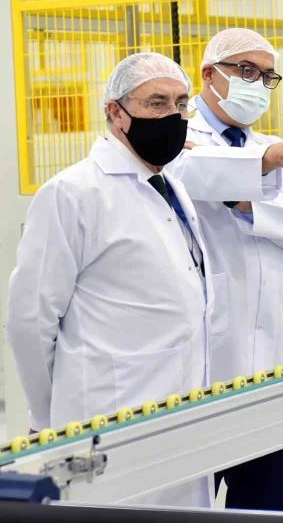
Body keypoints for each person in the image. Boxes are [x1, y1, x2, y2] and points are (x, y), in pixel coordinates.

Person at [6, 52, 213, 506]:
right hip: (106, 417)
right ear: (116, 113)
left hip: (180, 412)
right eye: (156, 103)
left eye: (181, 103)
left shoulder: (171, 187)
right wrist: (48, 417)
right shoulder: (73, 193)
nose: (173, 116)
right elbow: (29, 319)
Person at [167, 28, 283, 511]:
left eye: (266, 75)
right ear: (209, 74)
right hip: (204, 365)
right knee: (187, 502)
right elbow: (193, 173)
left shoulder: (273, 145)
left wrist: (245, 202)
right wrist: (266, 167)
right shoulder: (177, 137)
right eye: (245, 70)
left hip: (271, 364)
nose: (257, 83)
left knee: (264, 503)